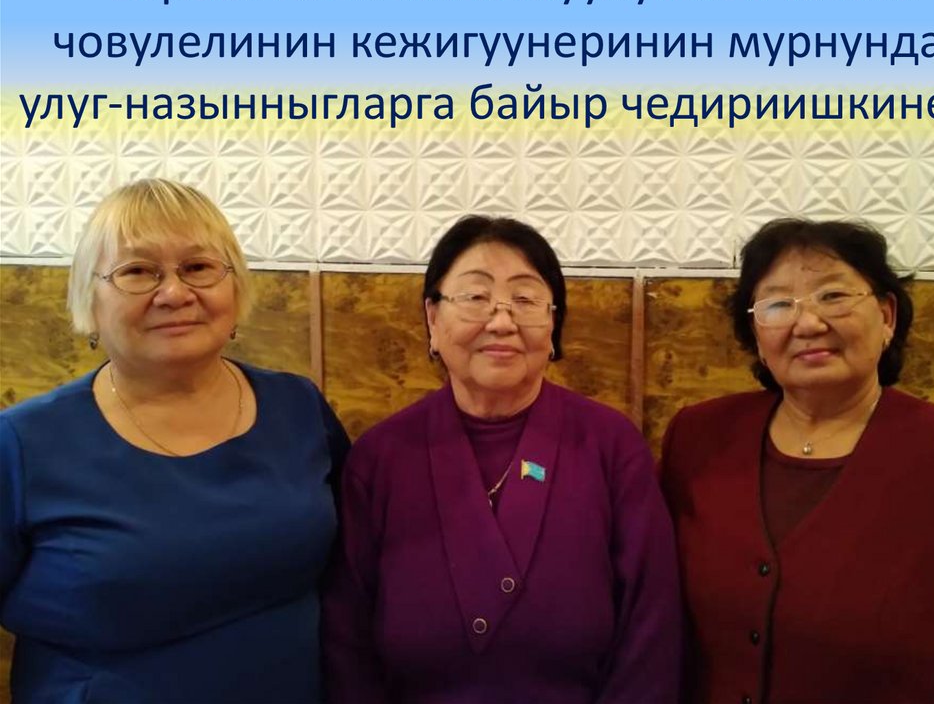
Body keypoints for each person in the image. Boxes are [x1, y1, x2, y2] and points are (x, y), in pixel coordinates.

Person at [0, 179, 349, 703]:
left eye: (199, 267)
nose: (175, 293)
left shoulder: (298, 407)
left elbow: (356, 573)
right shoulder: (22, 444)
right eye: (138, 271)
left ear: (235, 287)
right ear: (90, 298)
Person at [660, 218, 934, 704]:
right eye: (778, 305)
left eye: (833, 296)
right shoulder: (698, 438)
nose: (808, 323)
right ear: (756, 335)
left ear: (887, 316)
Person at [322, 215, 681, 704]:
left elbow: (650, 632)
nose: (501, 321)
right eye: (475, 296)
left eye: (526, 300)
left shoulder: (610, 446)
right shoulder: (380, 458)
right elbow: (347, 646)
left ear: (552, 324)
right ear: (432, 318)